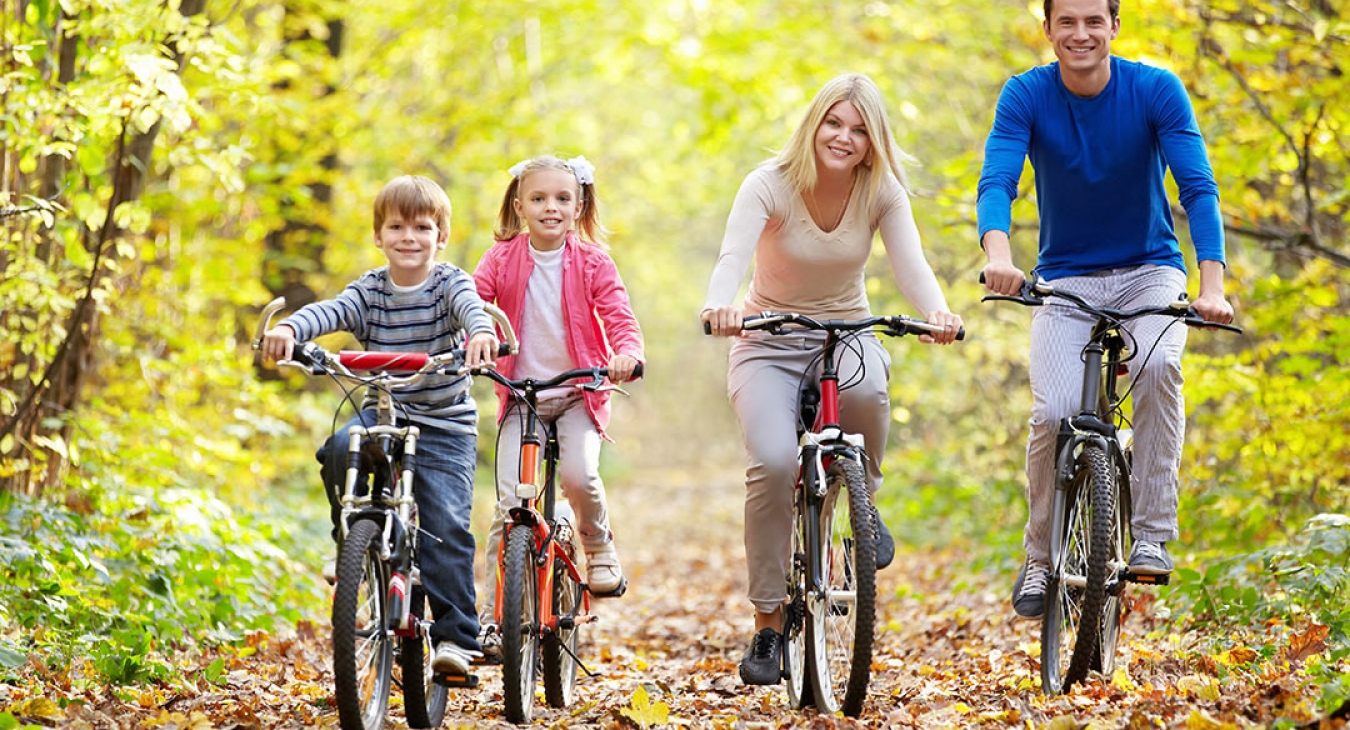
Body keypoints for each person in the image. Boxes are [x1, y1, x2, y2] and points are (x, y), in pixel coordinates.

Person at [976, 0, 1235, 620]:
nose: (1081, 33)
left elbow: (1196, 187)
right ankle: (1040, 558)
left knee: (1158, 368)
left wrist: (1213, 286)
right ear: (1048, 29)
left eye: (1094, 20)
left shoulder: (1156, 90)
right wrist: (999, 254)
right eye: (1067, 21)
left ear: (1115, 26)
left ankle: (1150, 532)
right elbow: (997, 181)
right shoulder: (1025, 96)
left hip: (1150, 271)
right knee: (1054, 412)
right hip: (1065, 279)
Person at [701, 73, 963, 686]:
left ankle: (861, 506)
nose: (843, 138)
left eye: (859, 130)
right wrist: (723, 305)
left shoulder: (882, 192)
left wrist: (938, 312)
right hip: (766, 340)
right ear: (813, 124)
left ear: (874, 141)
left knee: (869, 391)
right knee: (769, 462)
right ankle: (769, 625)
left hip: (847, 333)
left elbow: (911, 264)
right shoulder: (769, 184)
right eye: (834, 123)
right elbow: (732, 257)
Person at [260, 174, 498, 676]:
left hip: (443, 425)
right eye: (396, 227)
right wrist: (289, 328)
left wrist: (479, 334)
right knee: (340, 448)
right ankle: (352, 542)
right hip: (383, 412)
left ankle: (457, 638)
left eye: (421, 227)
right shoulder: (370, 290)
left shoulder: (449, 283)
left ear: (441, 236)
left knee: (446, 527)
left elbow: (471, 310)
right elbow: (331, 312)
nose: (408, 237)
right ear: (378, 235)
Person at [473, 154, 645, 654]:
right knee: (508, 509)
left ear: (579, 205)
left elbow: (617, 315)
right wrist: (478, 338)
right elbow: (476, 305)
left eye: (562, 199)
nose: (551, 207)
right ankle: (492, 619)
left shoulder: (593, 262)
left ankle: (597, 545)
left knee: (579, 474)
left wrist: (627, 353)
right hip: (521, 397)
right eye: (539, 198)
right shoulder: (499, 259)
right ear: (520, 205)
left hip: (577, 393)